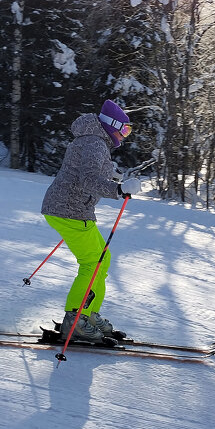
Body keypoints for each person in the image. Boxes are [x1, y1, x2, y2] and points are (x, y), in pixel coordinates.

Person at [41, 100, 142, 344]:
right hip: (68, 209)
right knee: (91, 263)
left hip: (74, 209)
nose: (125, 135)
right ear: (112, 125)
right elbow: (87, 180)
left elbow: (88, 169)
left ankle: (89, 315)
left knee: (102, 259)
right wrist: (118, 190)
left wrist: (111, 171)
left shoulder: (95, 140)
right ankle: (75, 321)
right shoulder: (95, 143)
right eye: (125, 129)